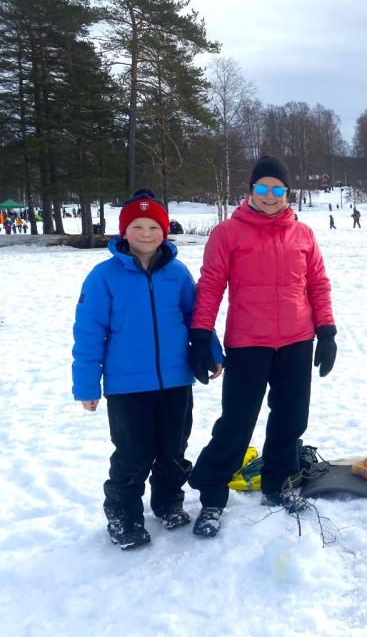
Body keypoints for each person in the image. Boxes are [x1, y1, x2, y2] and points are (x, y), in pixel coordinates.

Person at [186, 156, 337, 538]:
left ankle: (276, 484)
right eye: (263, 188)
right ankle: (213, 497)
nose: (270, 196)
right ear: (250, 190)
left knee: (291, 418)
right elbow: (211, 286)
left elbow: (317, 283)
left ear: (288, 193)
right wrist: (201, 334)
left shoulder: (302, 234)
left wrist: (327, 330)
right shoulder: (227, 233)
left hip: (297, 340)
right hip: (248, 341)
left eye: (278, 189)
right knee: (237, 421)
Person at [72, 189, 222, 550]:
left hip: (175, 379)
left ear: (164, 231)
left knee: (173, 446)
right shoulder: (103, 277)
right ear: (124, 231)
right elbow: (89, 333)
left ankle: (168, 501)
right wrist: (87, 385)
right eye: (137, 226)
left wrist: (212, 352)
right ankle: (123, 515)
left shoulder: (177, 273)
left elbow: (196, 318)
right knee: (133, 452)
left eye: (153, 226)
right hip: (127, 386)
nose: (145, 233)